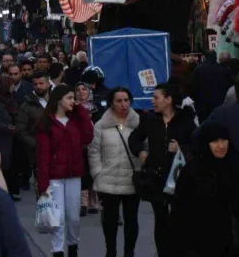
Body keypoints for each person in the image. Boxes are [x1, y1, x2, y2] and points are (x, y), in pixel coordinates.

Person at [128, 83, 197, 257]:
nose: (152, 101)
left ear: (168, 100)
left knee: (179, 219)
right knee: (161, 220)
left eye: (156, 97)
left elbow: (198, 146)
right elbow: (134, 138)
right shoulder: (150, 120)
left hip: (179, 179)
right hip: (156, 178)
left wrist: (182, 147)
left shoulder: (186, 121)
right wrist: (141, 152)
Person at [35, 84, 94, 257]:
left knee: (74, 218)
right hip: (55, 177)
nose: (73, 101)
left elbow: (88, 136)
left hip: (74, 175)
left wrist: (81, 111)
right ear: (59, 100)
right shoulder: (47, 123)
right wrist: (43, 183)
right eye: (69, 98)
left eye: (73, 98)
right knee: (57, 218)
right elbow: (43, 156)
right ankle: (58, 251)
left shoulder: (76, 120)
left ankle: (73, 246)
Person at [170, 124, 239, 257]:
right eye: (214, 141)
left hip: (229, 243)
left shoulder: (233, 168)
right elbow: (179, 212)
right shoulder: (192, 172)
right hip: (197, 243)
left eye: (224, 140)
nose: (221, 146)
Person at [88, 87, 141, 257]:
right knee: (109, 221)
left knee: (131, 220)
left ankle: (129, 252)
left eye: (126, 100)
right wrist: (97, 172)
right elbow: (93, 150)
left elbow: (146, 147)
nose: (123, 104)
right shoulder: (101, 125)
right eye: (119, 100)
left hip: (132, 180)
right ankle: (110, 252)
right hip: (107, 181)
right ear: (111, 102)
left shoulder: (138, 123)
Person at [75, 82, 102, 216]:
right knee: (82, 170)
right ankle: (82, 202)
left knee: (93, 170)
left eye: (84, 89)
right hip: (78, 144)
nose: (81, 92)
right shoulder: (72, 108)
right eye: (78, 90)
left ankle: (93, 199)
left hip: (94, 143)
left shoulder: (95, 108)